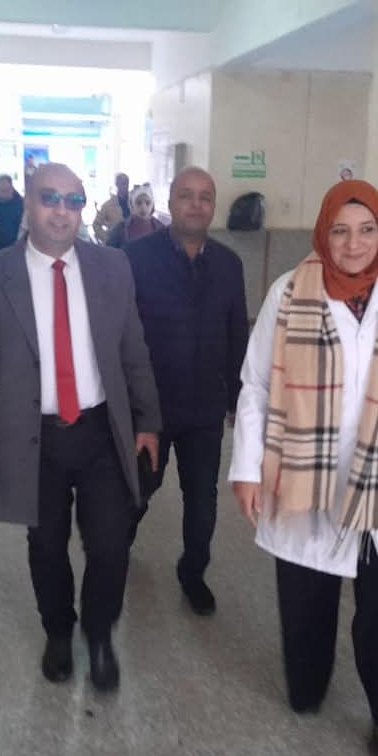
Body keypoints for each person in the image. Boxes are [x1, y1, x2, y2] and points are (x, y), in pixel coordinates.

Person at [228, 180, 378, 756]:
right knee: (307, 601)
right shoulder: (289, 291)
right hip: (308, 471)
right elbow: (256, 385)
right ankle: (308, 684)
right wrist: (246, 467)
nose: (354, 244)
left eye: (367, 229)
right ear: (323, 234)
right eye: (341, 231)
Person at [0, 163, 161, 693]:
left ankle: (100, 634)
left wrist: (148, 421)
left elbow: (133, 349)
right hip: (30, 436)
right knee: (46, 544)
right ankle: (59, 632)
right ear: (28, 203)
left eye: (73, 200)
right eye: (50, 198)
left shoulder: (112, 267)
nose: (62, 211)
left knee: (110, 543)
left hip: (100, 430)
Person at [125, 167, 249, 615]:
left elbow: (237, 336)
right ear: (170, 202)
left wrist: (238, 401)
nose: (196, 205)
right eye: (186, 195)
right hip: (150, 408)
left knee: (202, 502)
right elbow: (120, 335)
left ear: (213, 206)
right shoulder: (135, 258)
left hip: (204, 409)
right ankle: (117, 547)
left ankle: (193, 573)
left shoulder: (229, 265)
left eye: (205, 197)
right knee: (139, 489)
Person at [106, 184, 165, 249]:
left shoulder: (161, 229)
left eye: (147, 203)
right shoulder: (121, 228)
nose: (143, 207)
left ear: (152, 205)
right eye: (138, 203)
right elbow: (109, 251)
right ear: (132, 205)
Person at [92, 172, 131, 243]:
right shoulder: (108, 205)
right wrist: (107, 238)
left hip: (134, 241)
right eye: (123, 183)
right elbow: (96, 224)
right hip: (116, 243)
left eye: (127, 183)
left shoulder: (135, 202)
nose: (125, 186)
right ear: (117, 184)